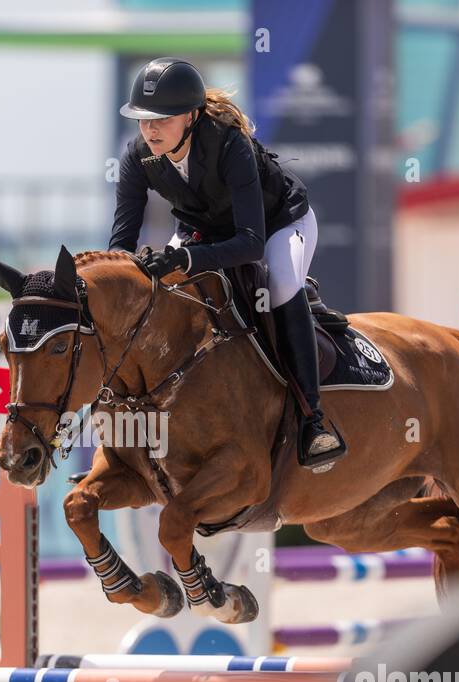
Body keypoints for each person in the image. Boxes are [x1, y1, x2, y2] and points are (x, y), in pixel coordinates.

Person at [108, 56, 344, 470]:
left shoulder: (229, 144)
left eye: (162, 119)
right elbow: (122, 246)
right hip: (204, 229)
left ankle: (314, 420)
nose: (150, 128)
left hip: (277, 225)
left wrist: (186, 257)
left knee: (282, 283)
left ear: (191, 117)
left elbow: (251, 244)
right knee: (162, 293)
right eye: (144, 119)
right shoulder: (137, 156)